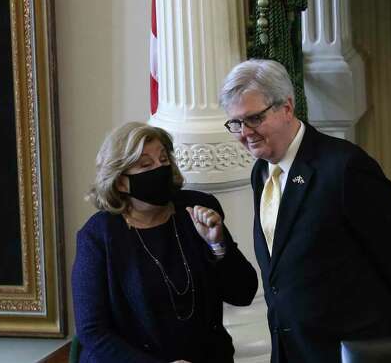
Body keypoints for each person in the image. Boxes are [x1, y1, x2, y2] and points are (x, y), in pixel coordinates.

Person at [219, 59, 391, 362]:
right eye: (236, 123)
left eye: (254, 119)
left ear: (287, 107)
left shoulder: (344, 168)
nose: (245, 133)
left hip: (351, 352)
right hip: (293, 352)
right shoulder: (261, 172)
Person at [73, 122, 258, 363]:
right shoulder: (98, 237)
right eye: (145, 165)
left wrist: (217, 245)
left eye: (163, 160)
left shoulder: (197, 210)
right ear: (120, 182)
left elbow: (243, 293)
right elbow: (93, 332)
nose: (159, 169)